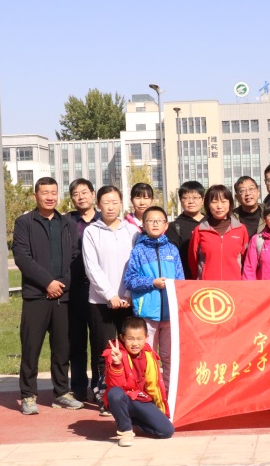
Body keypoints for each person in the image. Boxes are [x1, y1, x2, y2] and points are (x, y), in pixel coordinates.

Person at [13, 177, 83, 415]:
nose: (50, 197)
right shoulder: (24, 223)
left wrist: (62, 284)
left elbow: (76, 257)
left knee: (62, 348)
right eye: (45, 193)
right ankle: (28, 395)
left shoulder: (67, 223)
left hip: (62, 296)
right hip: (36, 296)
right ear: (36, 196)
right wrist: (47, 283)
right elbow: (22, 257)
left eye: (53, 192)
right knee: (31, 347)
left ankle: (61, 392)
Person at [82, 185, 139, 415]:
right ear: (98, 205)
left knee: (130, 347)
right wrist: (110, 295)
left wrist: (127, 294)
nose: (111, 206)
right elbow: (91, 267)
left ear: (121, 203)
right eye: (106, 202)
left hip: (128, 300)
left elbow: (136, 264)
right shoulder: (91, 232)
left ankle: (129, 390)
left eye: (115, 202)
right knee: (103, 349)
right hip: (100, 301)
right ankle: (103, 392)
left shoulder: (132, 231)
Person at [124, 206, 183, 391]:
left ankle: (169, 393)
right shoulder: (138, 251)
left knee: (169, 356)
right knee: (147, 356)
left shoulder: (172, 250)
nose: (155, 224)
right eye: (150, 221)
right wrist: (152, 283)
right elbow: (130, 280)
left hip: (170, 314)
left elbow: (180, 280)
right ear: (143, 225)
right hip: (147, 313)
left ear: (166, 225)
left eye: (159, 221)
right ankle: (147, 392)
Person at [103, 316, 175, 447]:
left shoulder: (148, 353)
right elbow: (115, 385)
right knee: (114, 393)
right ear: (122, 337)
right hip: (124, 398)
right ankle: (125, 431)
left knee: (166, 431)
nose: (135, 343)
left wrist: (161, 410)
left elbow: (155, 384)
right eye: (130, 338)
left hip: (141, 399)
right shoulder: (114, 353)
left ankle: (134, 422)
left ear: (146, 337)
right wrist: (117, 363)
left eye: (139, 338)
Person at [66, 178, 101, 402]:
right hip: (75, 287)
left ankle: (99, 386)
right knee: (76, 339)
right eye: (76, 194)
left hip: (99, 288)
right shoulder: (66, 222)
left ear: (93, 194)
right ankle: (78, 387)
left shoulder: (104, 219)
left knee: (99, 339)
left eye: (85, 192)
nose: (81, 197)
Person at [188, 184, 249, 280]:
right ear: (208, 204)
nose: (219, 206)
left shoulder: (241, 229)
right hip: (208, 286)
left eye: (224, 201)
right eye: (214, 202)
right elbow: (193, 260)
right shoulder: (199, 230)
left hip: (234, 284)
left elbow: (246, 259)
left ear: (230, 203)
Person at [165, 181, 205, 280]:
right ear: (180, 200)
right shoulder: (175, 226)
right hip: (186, 279)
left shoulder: (211, 223)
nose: (191, 201)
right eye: (186, 198)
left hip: (210, 278)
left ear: (203, 200)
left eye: (195, 197)